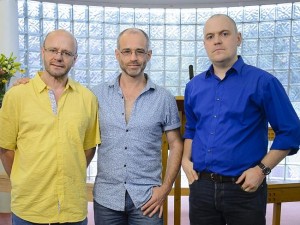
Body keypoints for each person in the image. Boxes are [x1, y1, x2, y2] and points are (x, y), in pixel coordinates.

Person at [182, 14, 300, 225]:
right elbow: (192, 129)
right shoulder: (194, 87)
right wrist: (184, 160)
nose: (217, 40)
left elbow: (291, 131)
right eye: (210, 36)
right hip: (201, 187)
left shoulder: (263, 82)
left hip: (245, 187)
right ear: (205, 43)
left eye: (224, 34)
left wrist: (262, 170)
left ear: (238, 38)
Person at [0, 29, 100, 225]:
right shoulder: (17, 95)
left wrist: (67, 171)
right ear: (42, 52)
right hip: (29, 208)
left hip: (73, 210)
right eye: (53, 50)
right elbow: (5, 149)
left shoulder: (87, 98)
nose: (58, 57)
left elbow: (88, 149)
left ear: (75, 58)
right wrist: (25, 179)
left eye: (66, 53)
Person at [91, 28, 183, 225]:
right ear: (117, 54)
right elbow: (65, 92)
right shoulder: (96, 95)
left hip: (148, 199)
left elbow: (176, 145)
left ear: (148, 55)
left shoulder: (163, 98)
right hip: (107, 197)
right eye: (127, 51)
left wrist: (165, 189)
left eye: (139, 52)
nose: (133, 58)